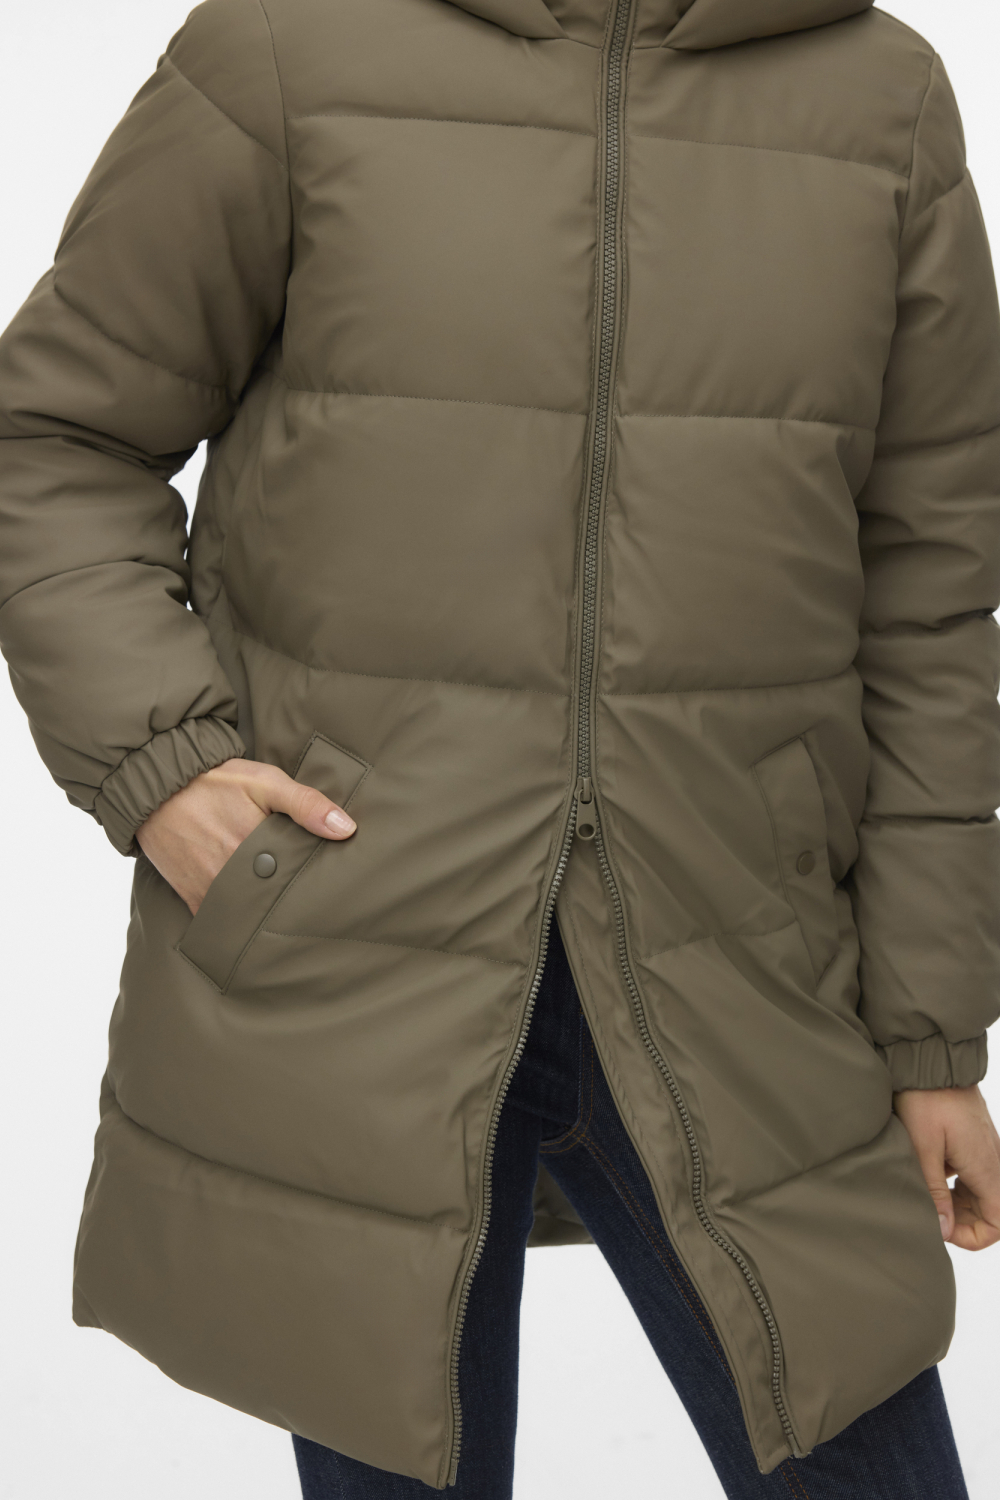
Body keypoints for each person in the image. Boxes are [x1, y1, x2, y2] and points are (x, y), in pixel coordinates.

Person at [1, 0, 999, 1495]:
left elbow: (928, 600)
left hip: (742, 967)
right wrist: (168, 774)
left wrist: (930, 1036)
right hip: (354, 948)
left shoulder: (882, 101)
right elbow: (56, 437)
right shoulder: (290, 47)